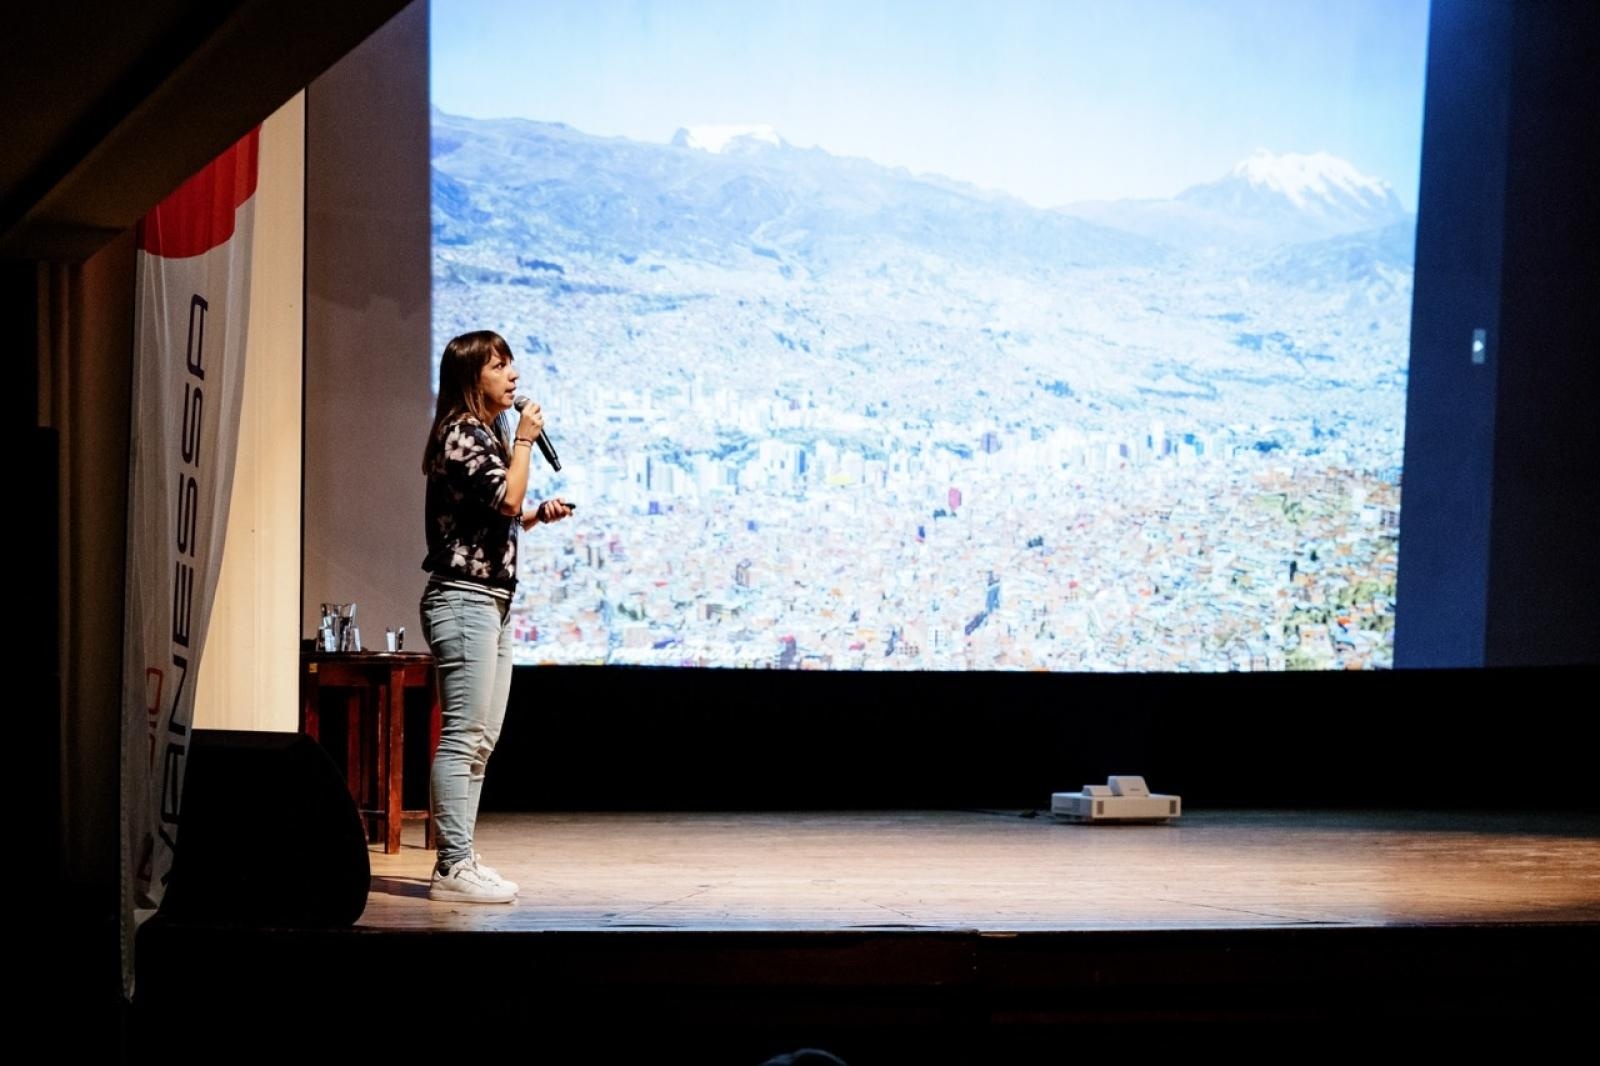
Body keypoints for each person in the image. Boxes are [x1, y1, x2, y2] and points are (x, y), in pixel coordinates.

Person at [419, 330, 572, 903]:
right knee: (462, 735)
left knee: (482, 738)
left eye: (511, 365)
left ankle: (461, 854)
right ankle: (451, 865)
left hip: (491, 599)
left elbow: (498, 515)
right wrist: (526, 444)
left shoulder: (484, 433)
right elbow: (504, 499)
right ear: (471, 377)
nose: (513, 375)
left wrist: (534, 518)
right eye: (499, 366)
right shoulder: (461, 432)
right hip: (463, 599)